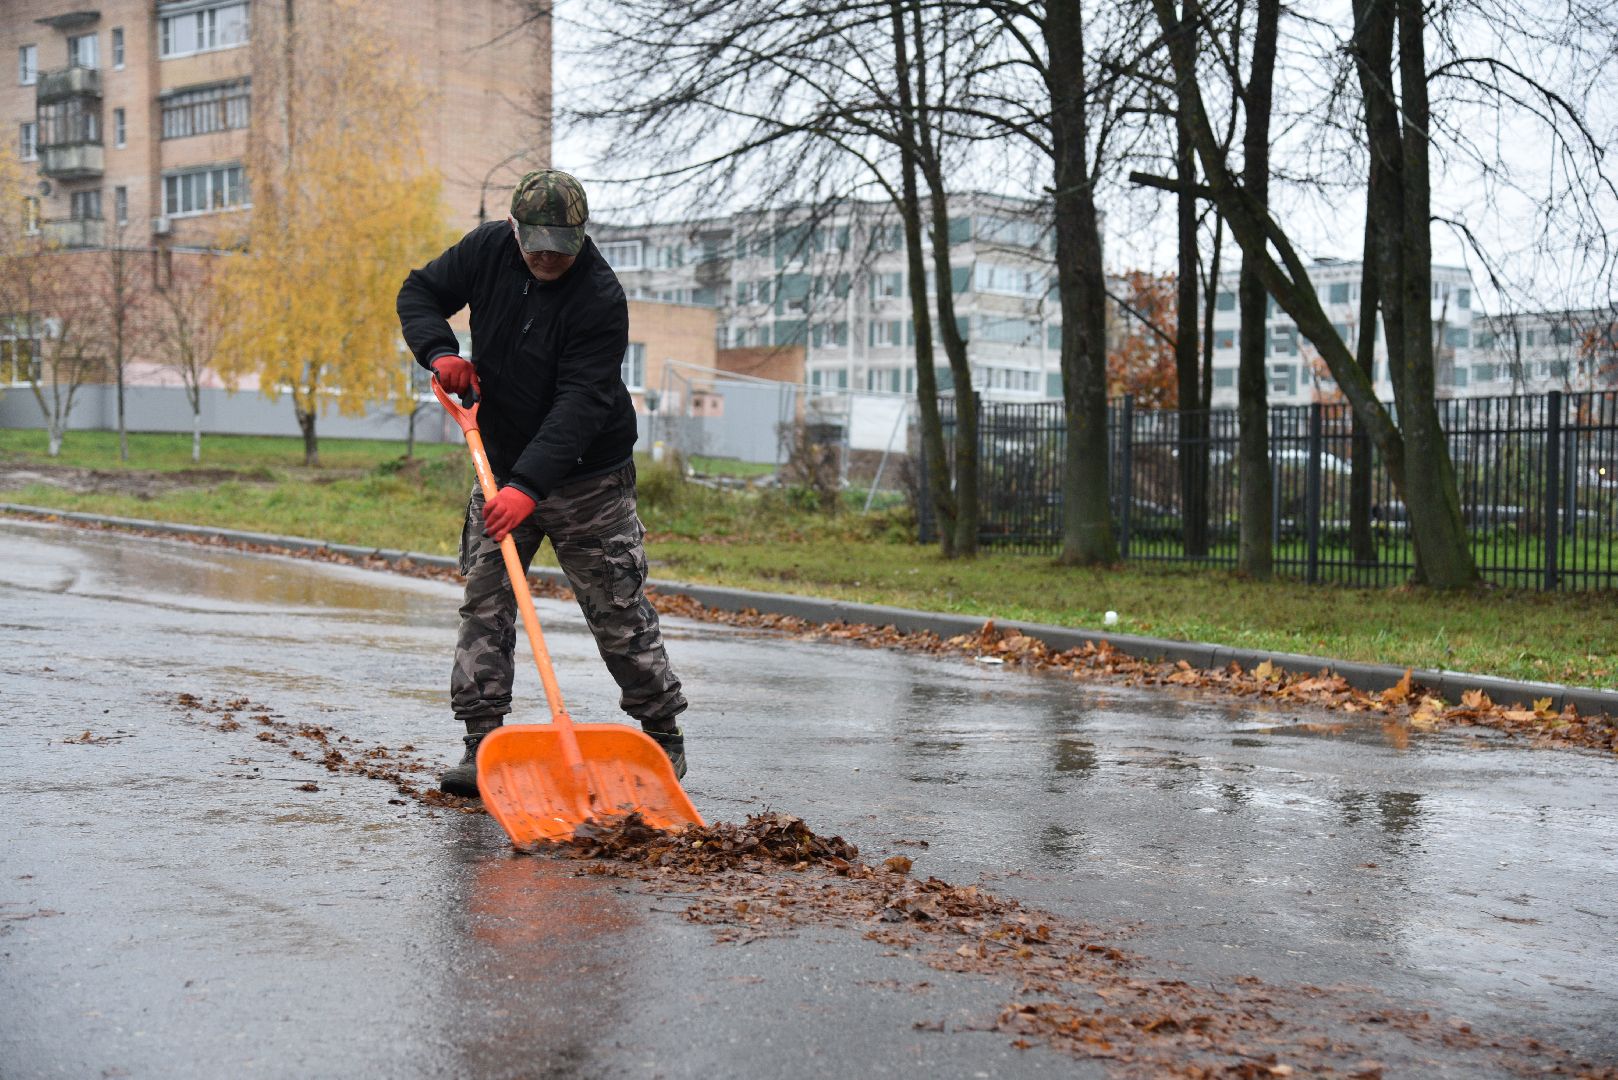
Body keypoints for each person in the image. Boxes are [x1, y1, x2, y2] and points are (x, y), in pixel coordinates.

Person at [396, 169, 687, 797]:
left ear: (581, 235)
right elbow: (419, 292)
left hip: (588, 482)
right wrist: (440, 351)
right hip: (498, 465)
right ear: (514, 229)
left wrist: (527, 487)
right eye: (537, 245)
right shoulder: (486, 249)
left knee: (617, 611)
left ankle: (662, 735)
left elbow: (582, 401)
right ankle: (483, 745)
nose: (548, 257)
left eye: (562, 246)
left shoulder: (599, 297)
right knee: (486, 603)